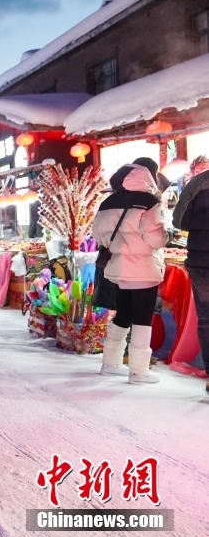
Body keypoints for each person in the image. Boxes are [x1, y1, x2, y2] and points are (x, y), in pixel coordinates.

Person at [92, 157, 171, 384]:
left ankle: (110, 363)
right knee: (142, 319)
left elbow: (98, 235)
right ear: (149, 175)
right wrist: (168, 236)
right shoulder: (149, 201)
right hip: (143, 268)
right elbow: (156, 238)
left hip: (118, 267)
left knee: (123, 314)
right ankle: (138, 371)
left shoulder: (108, 202)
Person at [172, 159, 209, 395]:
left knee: (206, 319)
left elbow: (178, 220)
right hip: (200, 261)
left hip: (201, 261)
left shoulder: (198, 182)